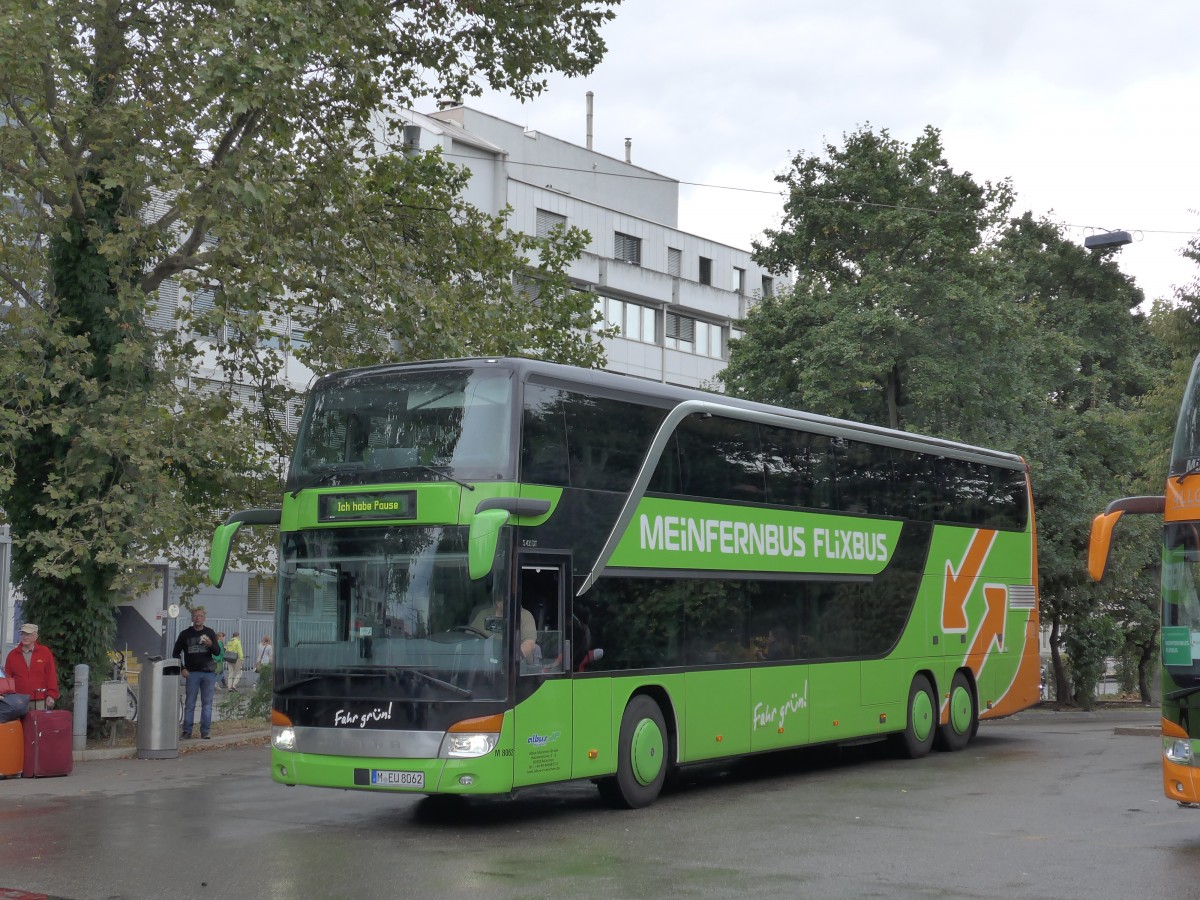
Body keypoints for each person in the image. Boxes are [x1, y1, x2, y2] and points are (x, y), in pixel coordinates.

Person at [172, 607, 221, 740]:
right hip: (191, 673)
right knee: (190, 703)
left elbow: (217, 652)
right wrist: (182, 668)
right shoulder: (185, 634)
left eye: (200, 616)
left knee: (207, 703)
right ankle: (187, 731)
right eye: (195, 616)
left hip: (208, 673)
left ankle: (205, 731)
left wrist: (211, 644)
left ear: (204, 618)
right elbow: (175, 653)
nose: (197, 618)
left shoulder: (209, 632)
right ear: (192, 618)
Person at [5, 623, 59, 710]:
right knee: (19, 724)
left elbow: (51, 675)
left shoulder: (45, 652)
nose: (25, 637)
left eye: (28, 634)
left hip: (40, 699)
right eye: (23, 634)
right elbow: (7, 678)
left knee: (39, 723)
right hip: (19, 700)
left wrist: (51, 695)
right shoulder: (12, 655)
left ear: (35, 636)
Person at [469, 597, 537, 663]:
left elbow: (529, 644)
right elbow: (467, 638)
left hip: (512, 667)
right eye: (499, 598)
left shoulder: (525, 616)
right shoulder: (483, 615)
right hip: (483, 665)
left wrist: (508, 663)